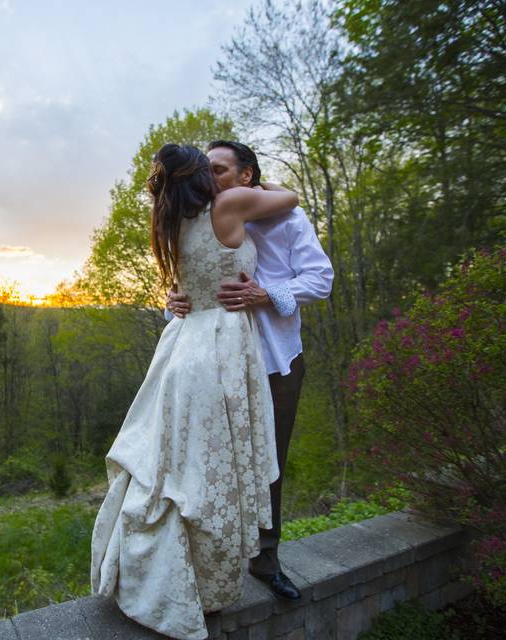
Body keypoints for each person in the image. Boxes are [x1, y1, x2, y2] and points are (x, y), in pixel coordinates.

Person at [90, 143, 300, 640]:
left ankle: (177, 576)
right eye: (208, 167)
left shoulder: (172, 223)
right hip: (222, 346)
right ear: (200, 175)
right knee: (212, 472)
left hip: (183, 347)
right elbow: (289, 197)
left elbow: (190, 282)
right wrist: (258, 182)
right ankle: (205, 586)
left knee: (175, 467)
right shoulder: (229, 205)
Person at [166, 140, 334, 601]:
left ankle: (266, 559)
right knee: (208, 461)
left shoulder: (287, 219)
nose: (209, 178)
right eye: (206, 170)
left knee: (268, 463)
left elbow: (321, 278)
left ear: (246, 176)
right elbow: (191, 286)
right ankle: (206, 559)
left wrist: (266, 295)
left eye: (219, 170)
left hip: (274, 359)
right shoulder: (198, 219)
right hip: (214, 362)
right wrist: (173, 303)